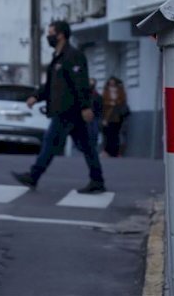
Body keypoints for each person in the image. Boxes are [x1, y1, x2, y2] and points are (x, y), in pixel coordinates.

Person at [11, 21, 106, 193]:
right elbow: (50, 86)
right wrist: (35, 96)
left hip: (69, 111)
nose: (48, 36)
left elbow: (81, 83)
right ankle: (97, 179)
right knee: (87, 147)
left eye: (51, 32)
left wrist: (86, 107)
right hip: (66, 111)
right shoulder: (57, 58)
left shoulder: (73, 56)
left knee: (50, 143)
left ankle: (34, 176)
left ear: (61, 35)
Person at [101, 77, 130, 158]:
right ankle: (107, 151)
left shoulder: (120, 89)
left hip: (117, 115)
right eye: (110, 82)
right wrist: (110, 102)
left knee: (116, 134)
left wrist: (116, 102)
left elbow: (123, 99)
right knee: (108, 133)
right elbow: (103, 100)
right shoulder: (106, 90)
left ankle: (115, 152)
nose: (112, 83)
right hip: (108, 115)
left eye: (113, 82)